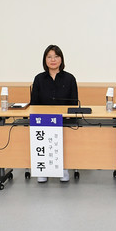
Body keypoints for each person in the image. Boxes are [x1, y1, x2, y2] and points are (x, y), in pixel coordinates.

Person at [29, 44, 78, 183]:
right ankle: (43, 169)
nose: (53, 60)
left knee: (64, 135)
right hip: (43, 121)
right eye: (49, 57)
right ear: (45, 60)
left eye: (56, 56)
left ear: (61, 59)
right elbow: (34, 104)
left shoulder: (70, 78)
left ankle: (63, 168)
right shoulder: (39, 79)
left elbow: (74, 103)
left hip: (64, 121)